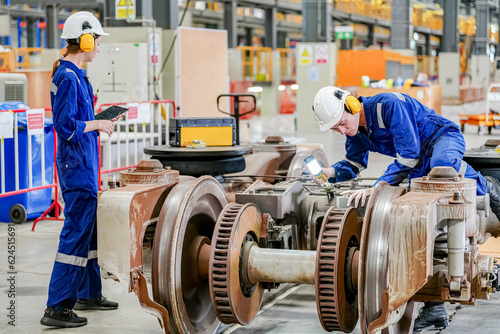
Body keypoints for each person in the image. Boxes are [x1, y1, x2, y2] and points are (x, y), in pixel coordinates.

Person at [311, 86, 500, 333]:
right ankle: (434, 307)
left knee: (442, 169)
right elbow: (354, 162)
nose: (341, 130)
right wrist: (331, 173)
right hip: (419, 163)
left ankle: (489, 187)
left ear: (352, 105)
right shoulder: (355, 129)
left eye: (341, 123)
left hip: (441, 140)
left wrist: (378, 186)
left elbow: (408, 155)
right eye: (335, 128)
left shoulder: (388, 105)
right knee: (418, 218)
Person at [41, 11, 119, 328]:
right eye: (96, 40)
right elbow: (64, 126)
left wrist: (95, 119)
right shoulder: (68, 77)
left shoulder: (77, 75)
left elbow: (76, 120)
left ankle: (89, 293)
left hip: (85, 166)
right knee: (75, 235)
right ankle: (57, 307)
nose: (98, 45)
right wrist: (97, 123)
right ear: (85, 40)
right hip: (77, 170)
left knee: (89, 233)